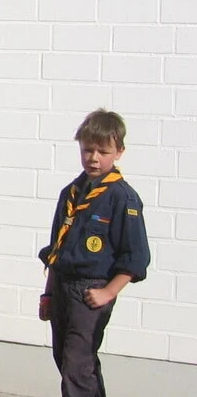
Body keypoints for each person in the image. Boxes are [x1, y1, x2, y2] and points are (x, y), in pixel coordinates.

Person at [37, 109, 150, 397]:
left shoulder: (123, 198)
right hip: (63, 286)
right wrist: (49, 294)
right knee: (66, 360)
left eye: (103, 151)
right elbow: (56, 251)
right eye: (88, 150)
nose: (94, 158)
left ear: (119, 152)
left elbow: (135, 257)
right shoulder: (71, 193)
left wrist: (108, 292)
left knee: (78, 364)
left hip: (91, 291)